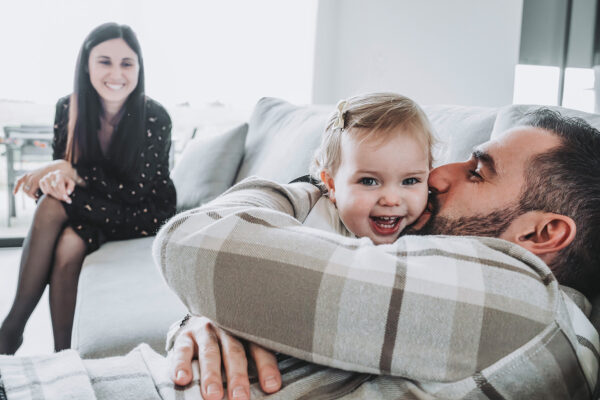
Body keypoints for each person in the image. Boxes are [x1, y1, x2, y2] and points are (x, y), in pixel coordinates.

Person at [156, 108, 600, 399]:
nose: (436, 176)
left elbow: (192, 242)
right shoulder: (463, 291)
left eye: (477, 172)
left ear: (544, 232)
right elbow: (228, 272)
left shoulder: (523, 305)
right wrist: (210, 317)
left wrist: (310, 188)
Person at [0, 22, 176, 354]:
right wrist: (58, 177)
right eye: (105, 61)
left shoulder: (154, 117)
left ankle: (10, 331)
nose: (116, 73)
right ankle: (61, 355)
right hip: (93, 208)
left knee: (56, 210)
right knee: (65, 241)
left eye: (127, 63)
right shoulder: (68, 108)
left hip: (144, 214)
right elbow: (60, 182)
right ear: (87, 64)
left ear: (139, 68)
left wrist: (73, 174)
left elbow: (136, 191)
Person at [301, 92, 434, 243]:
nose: (391, 200)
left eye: (410, 181)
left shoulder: (432, 230)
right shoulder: (311, 213)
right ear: (332, 185)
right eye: (368, 181)